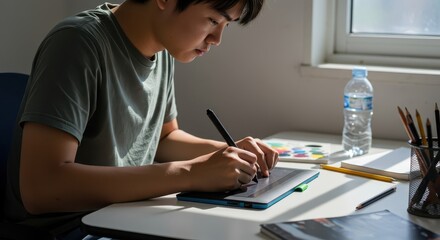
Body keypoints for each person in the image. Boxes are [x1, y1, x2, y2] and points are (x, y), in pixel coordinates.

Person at [4, 0, 278, 238]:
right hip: (72, 230)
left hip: (126, 217)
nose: (217, 38)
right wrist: (192, 173)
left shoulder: (162, 49)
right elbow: (41, 188)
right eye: (213, 20)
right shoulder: (77, 43)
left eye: (226, 26)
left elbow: (163, 138)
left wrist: (229, 154)